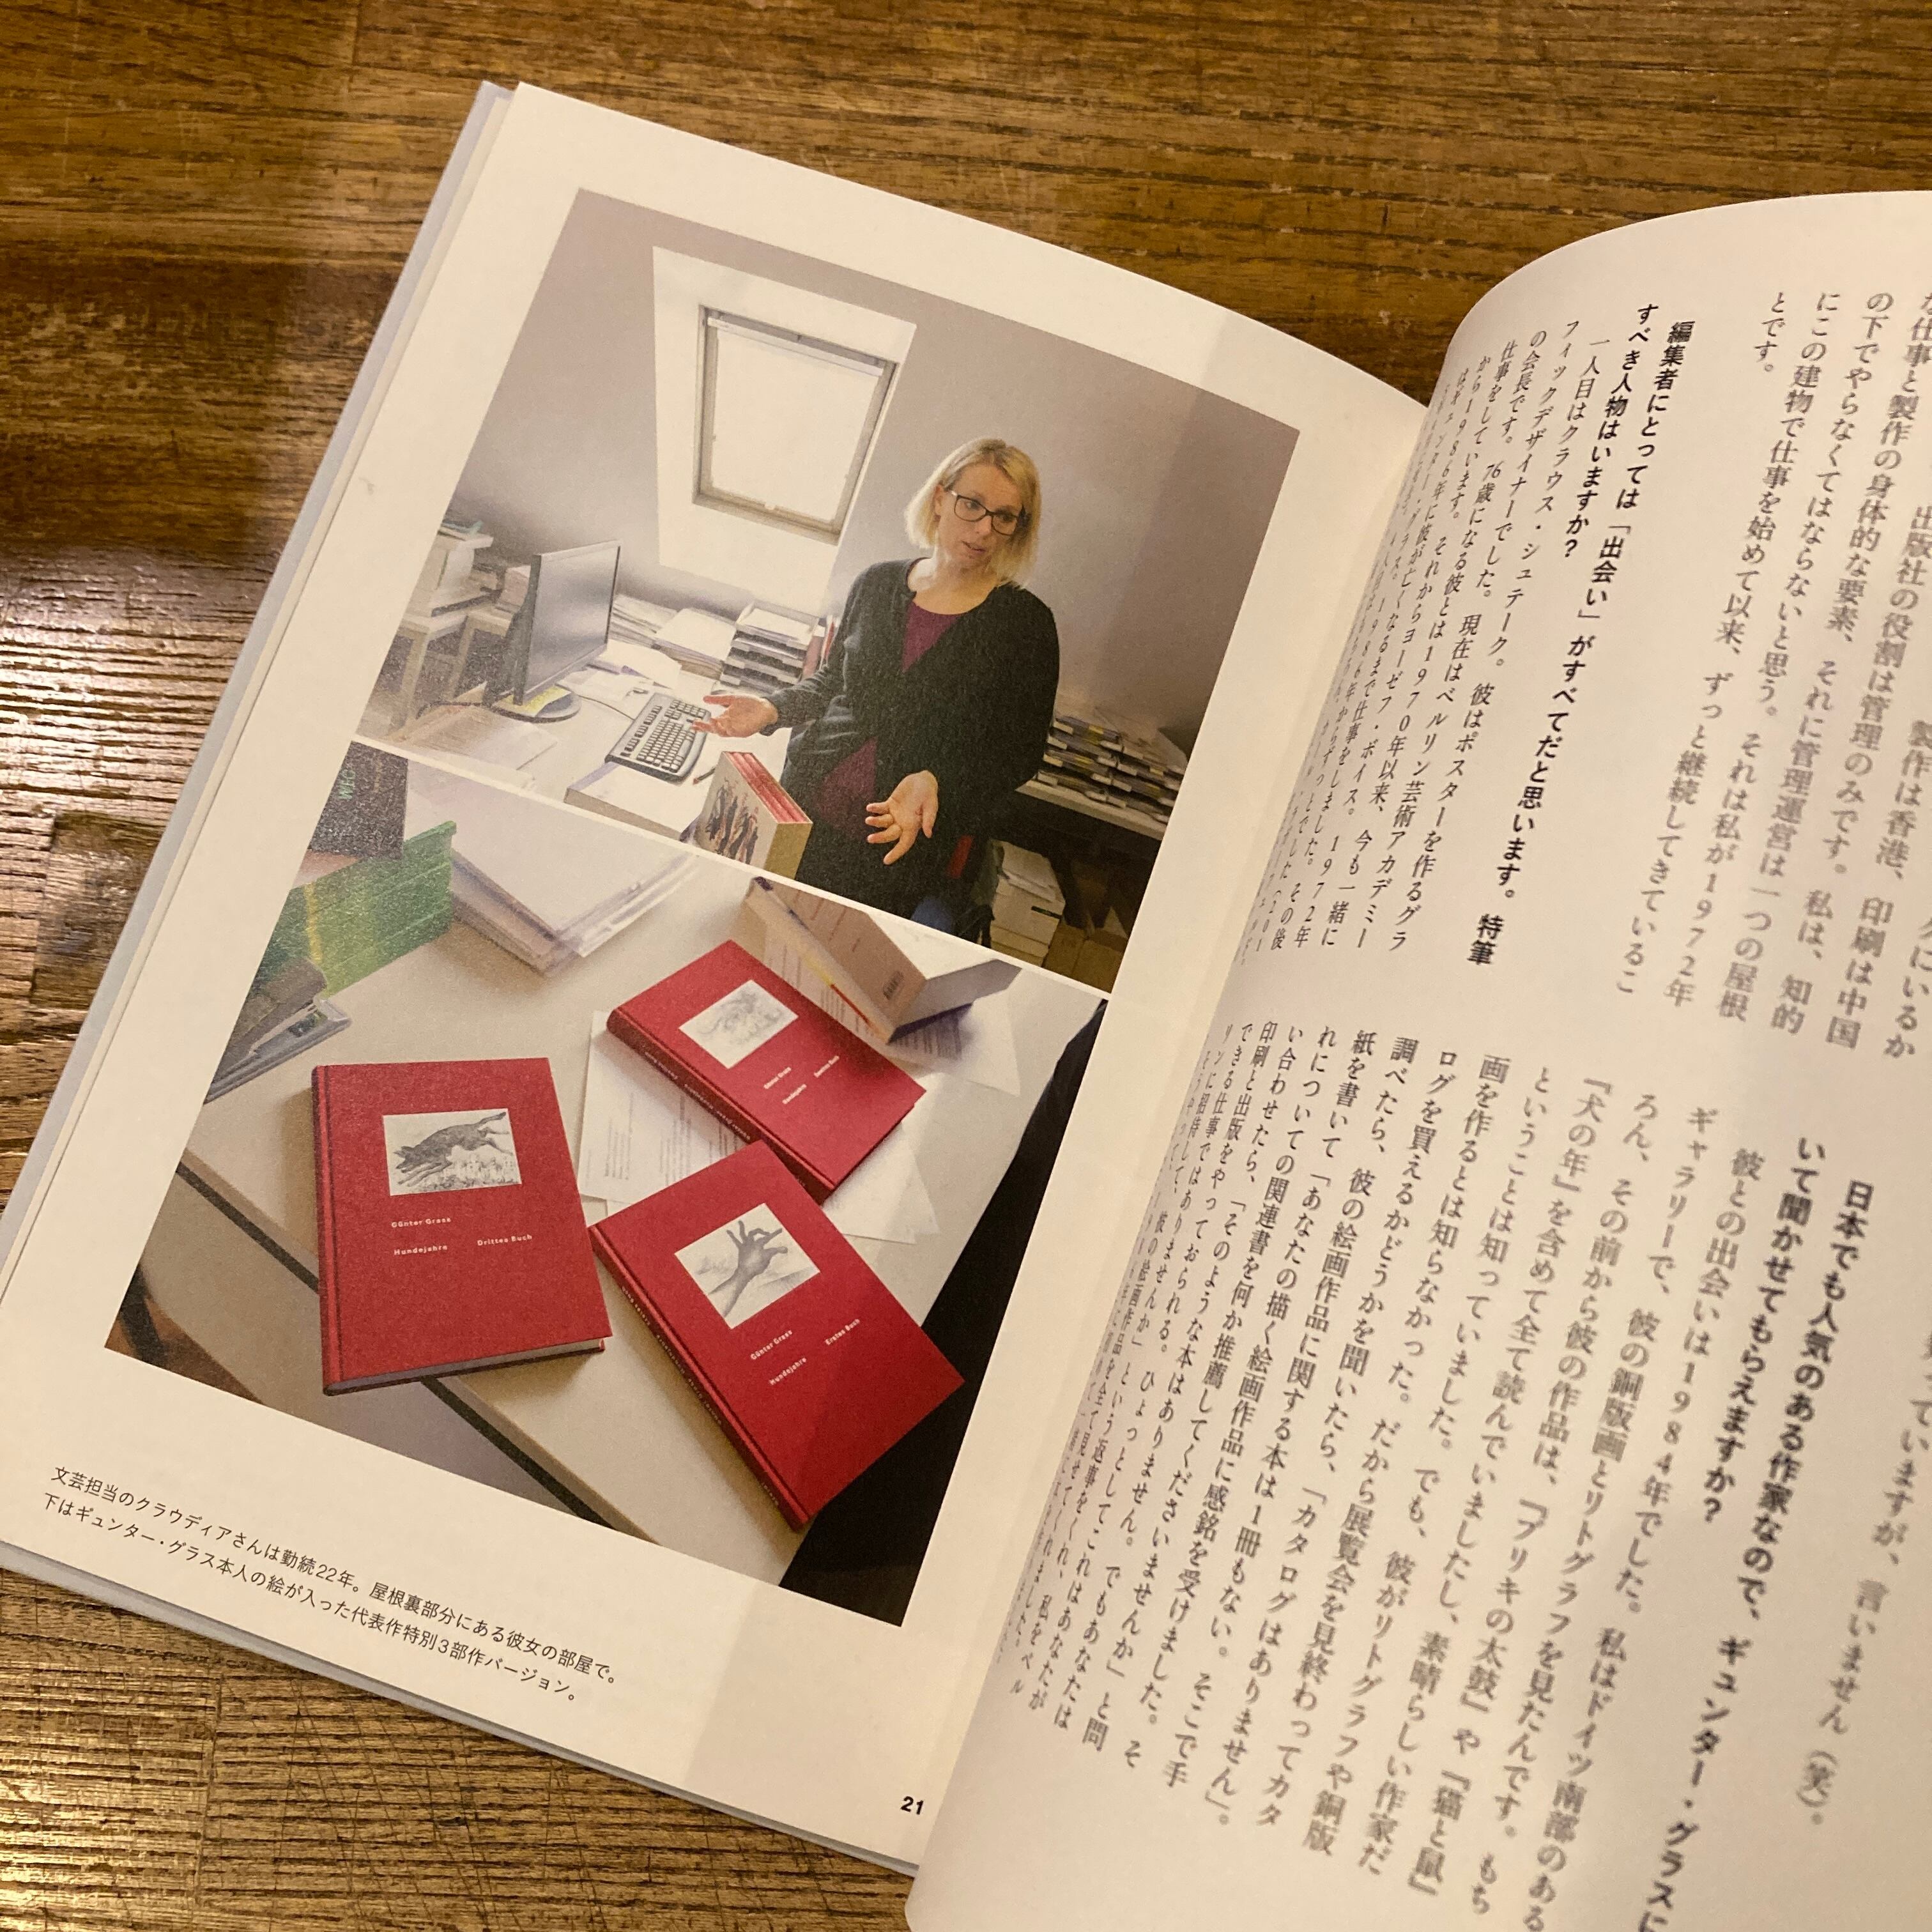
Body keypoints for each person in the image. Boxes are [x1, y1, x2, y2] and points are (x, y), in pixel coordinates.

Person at [695, 437, 1059, 923]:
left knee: (831, 956)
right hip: (800, 809)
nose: (984, 529)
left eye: (1005, 516)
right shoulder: (877, 583)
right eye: (972, 504)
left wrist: (937, 779)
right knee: (752, 924)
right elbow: (833, 682)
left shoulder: (1026, 626)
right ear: (940, 498)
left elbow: (1019, 753)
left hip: (893, 848)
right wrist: (773, 708)